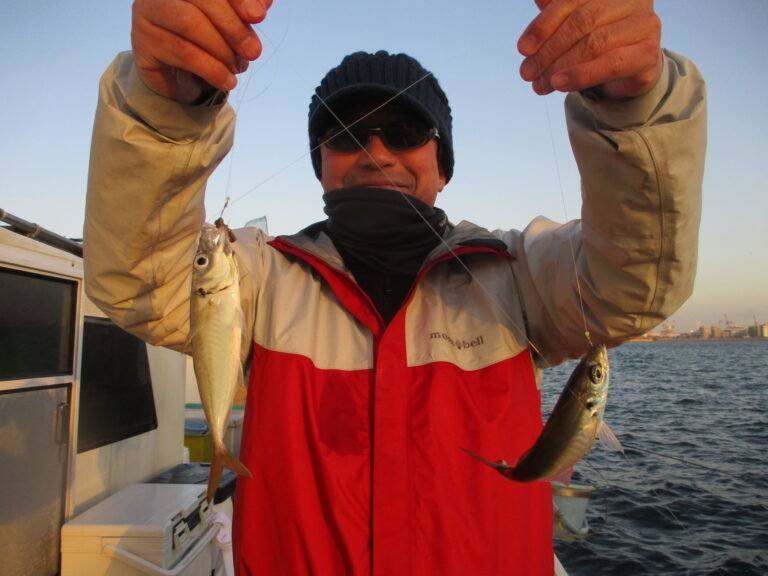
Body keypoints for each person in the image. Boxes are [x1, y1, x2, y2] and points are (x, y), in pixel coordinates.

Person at [84, 0, 706, 574]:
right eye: (346, 134)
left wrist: (632, 104)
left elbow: (632, 283)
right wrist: (164, 110)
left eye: (405, 131)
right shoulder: (257, 278)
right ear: (321, 164)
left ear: (443, 166)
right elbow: (141, 282)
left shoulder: (517, 273)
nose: (376, 152)